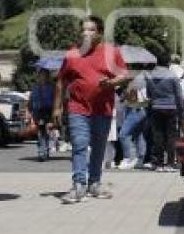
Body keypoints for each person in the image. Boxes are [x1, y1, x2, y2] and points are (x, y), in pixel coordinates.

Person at [53, 16, 128, 204]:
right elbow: (61, 81)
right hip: (78, 107)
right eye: (84, 30)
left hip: (102, 108)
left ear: (100, 33)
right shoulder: (72, 55)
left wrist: (110, 82)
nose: (86, 33)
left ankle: (94, 183)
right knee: (79, 144)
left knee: (98, 148)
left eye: (91, 30)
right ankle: (78, 184)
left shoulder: (111, 53)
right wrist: (57, 107)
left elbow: (124, 75)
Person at [145, 57, 184, 172]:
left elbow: (148, 94)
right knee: (171, 136)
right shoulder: (172, 75)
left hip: (156, 107)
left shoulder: (150, 76)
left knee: (158, 136)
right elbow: (179, 95)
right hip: (171, 108)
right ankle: (170, 164)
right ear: (168, 63)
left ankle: (159, 163)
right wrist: (181, 111)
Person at [118, 70, 149, 170]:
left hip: (136, 108)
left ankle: (128, 158)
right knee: (138, 134)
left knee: (123, 134)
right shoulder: (143, 76)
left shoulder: (135, 78)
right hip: (142, 109)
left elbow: (131, 97)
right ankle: (140, 159)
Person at [27, 68, 56, 161]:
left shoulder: (52, 87)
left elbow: (56, 100)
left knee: (47, 132)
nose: (43, 77)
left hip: (48, 112)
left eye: (44, 75)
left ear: (47, 76)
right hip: (38, 113)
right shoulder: (35, 87)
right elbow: (31, 100)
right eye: (41, 75)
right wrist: (29, 112)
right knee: (40, 132)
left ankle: (45, 151)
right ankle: (42, 152)